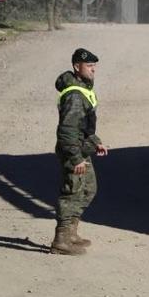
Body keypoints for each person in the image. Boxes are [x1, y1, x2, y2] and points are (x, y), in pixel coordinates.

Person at [50, 47, 109, 255]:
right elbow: (67, 131)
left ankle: (72, 233)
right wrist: (75, 159)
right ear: (77, 66)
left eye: (94, 66)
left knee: (88, 189)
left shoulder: (83, 87)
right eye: (89, 66)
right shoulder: (75, 95)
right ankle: (61, 239)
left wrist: (95, 141)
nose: (93, 70)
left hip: (82, 150)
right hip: (74, 153)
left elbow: (83, 125)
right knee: (72, 192)